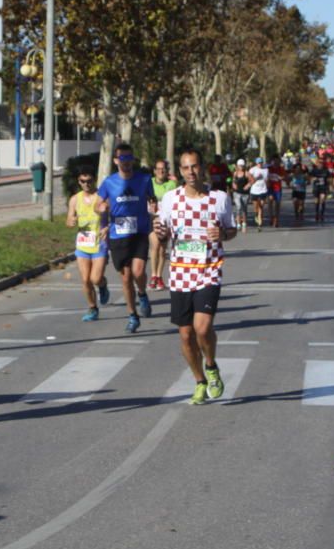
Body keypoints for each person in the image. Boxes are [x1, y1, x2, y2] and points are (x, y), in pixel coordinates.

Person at [154, 148, 237, 405]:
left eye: (195, 166)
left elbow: (232, 229)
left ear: (203, 167)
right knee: (186, 335)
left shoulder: (219, 198)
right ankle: (200, 379)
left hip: (209, 270)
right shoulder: (170, 199)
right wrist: (159, 231)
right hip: (180, 273)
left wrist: (222, 235)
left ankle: (211, 365)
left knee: (202, 328)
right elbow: (162, 231)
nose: (191, 172)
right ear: (180, 171)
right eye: (186, 168)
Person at [97, 143, 156, 333]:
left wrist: (154, 210)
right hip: (117, 234)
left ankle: (142, 294)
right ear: (116, 161)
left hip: (139, 231)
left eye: (129, 158)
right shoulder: (109, 182)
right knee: (125, 277)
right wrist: (101, 210)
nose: (126, 162)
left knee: (138, 272)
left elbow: (152, 199)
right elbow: (97, 205)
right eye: (122, 158)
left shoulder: (145, 179)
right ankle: (132, 315)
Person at [67, 166, 111, 319]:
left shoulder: (102, 197)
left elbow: (115, 216)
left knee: (95, 279)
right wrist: (71, 221)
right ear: (79, 182)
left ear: (94, 180)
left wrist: (108, 227)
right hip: (83, 245)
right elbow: (69, 220)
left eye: (89, 181)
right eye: (83, 181)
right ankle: (93, 308)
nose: (86, 184)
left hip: (100, 243)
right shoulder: (74, 199)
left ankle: (103, 285)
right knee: (85, 280)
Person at [148, 160, 178, 290]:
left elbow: (176, 201)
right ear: (154, 171)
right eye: (158, 169)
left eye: (163, 169)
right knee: (155, 245)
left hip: (166, 220)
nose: (161, 171)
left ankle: (159, 276)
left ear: (167, 171)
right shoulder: (149, 183)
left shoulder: (172, 184)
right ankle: (153, 275)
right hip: (152, 218)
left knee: (162, 249)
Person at [247, 157, 269, 231]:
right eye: (259, 163)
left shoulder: (266, 170)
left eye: (261, 162)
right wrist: (255, 178)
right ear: (256, 163)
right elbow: (249, 177)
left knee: (261, 207)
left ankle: (259, 224)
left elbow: (267, 179)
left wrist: (267, 184)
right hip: (254, 191)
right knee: (256, 206)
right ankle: (256, 214)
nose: (260, 164)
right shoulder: (252, 170)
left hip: (263, 190)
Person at [231, 158, 251, 233]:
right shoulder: (235, 173)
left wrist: (248, 185)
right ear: (237, 166)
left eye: (242, 166)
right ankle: (238, 223)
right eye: (240, 166)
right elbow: (233, 180)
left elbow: (252, 180)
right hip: (237, 193)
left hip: (245, 194)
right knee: (238, 207)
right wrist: (233, 184)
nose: (241, 167)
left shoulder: (246, 173)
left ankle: (244, 224)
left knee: (244, 209)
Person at [310, 156, 331, 223]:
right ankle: (317, 213)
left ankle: (322, 214)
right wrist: (313, 179)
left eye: (322, 163)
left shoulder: (326, 170)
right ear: (317, 163)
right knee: (317, 201)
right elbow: (309, 177)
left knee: (322, 200)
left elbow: (329, 178)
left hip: (323, 187)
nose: (320, 164)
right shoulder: (314, 170)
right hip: (316, 187)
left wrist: (329, 187)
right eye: (319, 162)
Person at [266, 156, 286, 227]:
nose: (275, 163)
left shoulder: (281, 169)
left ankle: (276, 219)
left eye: (277, 161)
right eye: (274, 161)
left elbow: (284, 177)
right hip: (270, 188)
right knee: (270, 201)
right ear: (272, 161)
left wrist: (281, 177)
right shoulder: (268, 168)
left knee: (277, 204)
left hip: (278, 188)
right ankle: (271, 217)